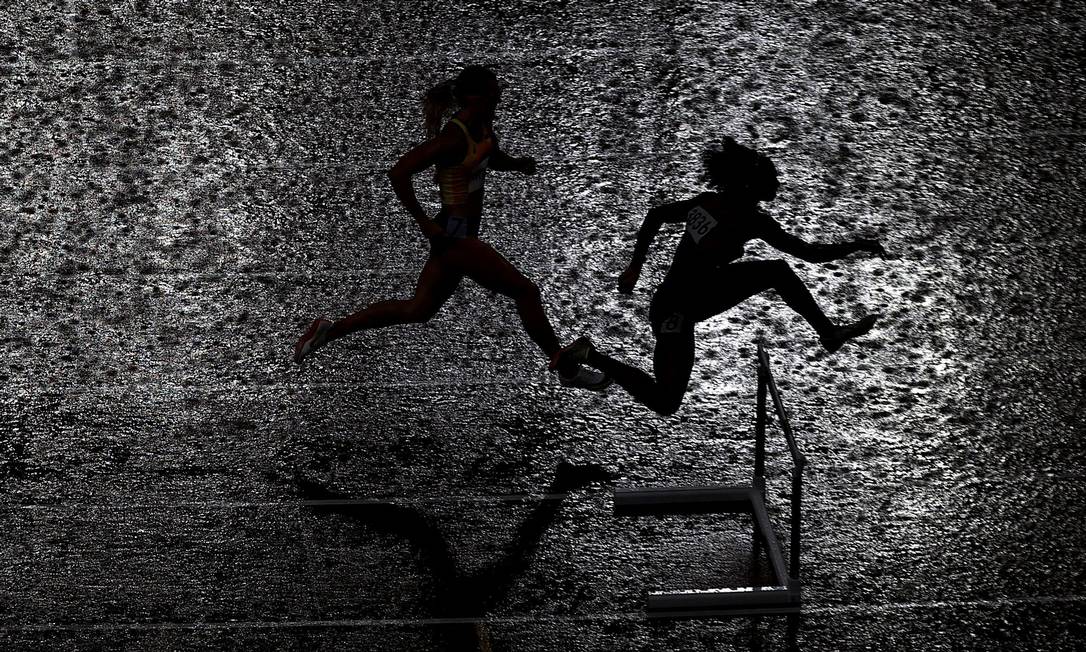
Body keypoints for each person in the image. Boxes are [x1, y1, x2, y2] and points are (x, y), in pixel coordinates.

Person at [293, 65, 609, 390]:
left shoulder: (482, 123)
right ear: (475, 96)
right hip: (455, 237)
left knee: (418, 310)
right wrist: (426, 225)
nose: (499, 95)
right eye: (493, 90)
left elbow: (489, 155)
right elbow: (399, 173)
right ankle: (565, 367)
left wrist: (517, 164)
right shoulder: (453, 138)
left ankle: (330, 330)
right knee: (525, 291)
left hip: (458, 235)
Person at [552, 137, 886, 415]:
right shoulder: (748, 220)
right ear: (750, 185)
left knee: (776, 272)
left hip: (685, 300)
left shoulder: (710, 204)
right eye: (772, 180)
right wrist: (856, 245)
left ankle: (828, 332)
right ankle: (590, 355)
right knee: (666, 401)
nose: (778, 185)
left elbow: (656, 216)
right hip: (677, 309)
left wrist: (635, 268)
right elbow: (810, 254)